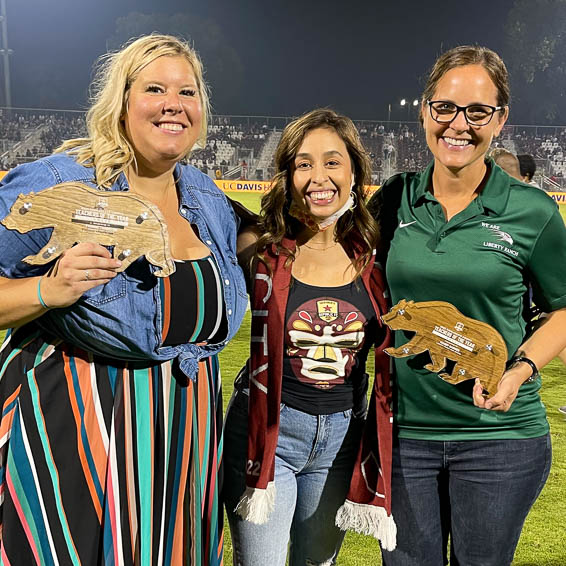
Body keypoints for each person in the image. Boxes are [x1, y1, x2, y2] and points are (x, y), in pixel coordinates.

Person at [0, 34, 247, 565]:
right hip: (78, 427)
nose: (173, 104)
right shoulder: (60, 182)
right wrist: (47, 288)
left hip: (184, 439)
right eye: (154, 88)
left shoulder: (208, 199)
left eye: (188, 91)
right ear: (122, 101)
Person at [365, 46, 566, 566]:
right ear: (425, 110)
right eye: (446, 108)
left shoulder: (532, 212)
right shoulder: (393, 200)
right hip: (404, 435)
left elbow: (563, 309)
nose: (459, 124)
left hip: (499, 441)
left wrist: (519, 370)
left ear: (499, 119)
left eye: (477, 111)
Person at [223, 108, 396, 565]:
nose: (319, 176)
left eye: (332, 161)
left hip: (341, 439)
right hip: (266, 431)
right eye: (303, 163)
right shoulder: (259, 249)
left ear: (355, 171)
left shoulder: (377, 258)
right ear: (287, 175)